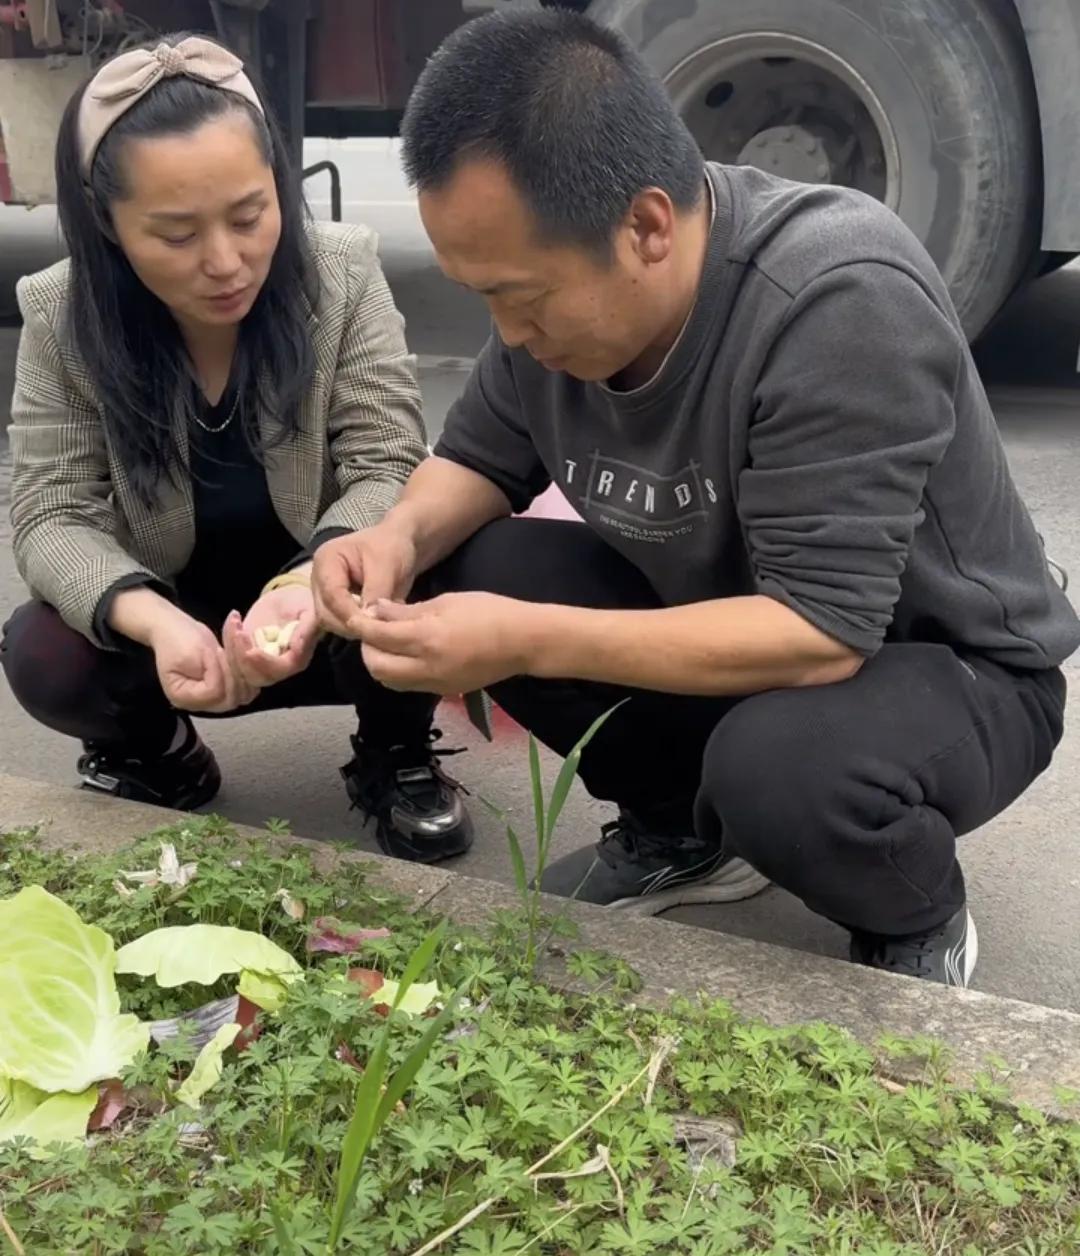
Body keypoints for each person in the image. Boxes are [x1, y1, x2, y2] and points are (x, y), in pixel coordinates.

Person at [312, 8, 1080, 988]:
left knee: (778, 768)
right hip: (738, 627)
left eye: (520, 295)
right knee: (474, 560)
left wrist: (519, 637)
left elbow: (822, 631)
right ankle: (682, 830)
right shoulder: (553, 312)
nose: (505, 329)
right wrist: (394, 541)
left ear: (644, 226)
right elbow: (473, 460)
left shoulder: (838, 299)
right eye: (482, 295)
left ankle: (915, 908)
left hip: (946, 667)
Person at [0, 33, 473, 863]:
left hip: (326, 610)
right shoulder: (62, 317)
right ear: (107, 225)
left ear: (279, 189)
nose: (226, 262)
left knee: (436, 565)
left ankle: (394, 753)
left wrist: (307, 586)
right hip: (178, 624)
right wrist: (153, 624)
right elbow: (48, 512)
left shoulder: (342, 276)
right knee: (42, 651)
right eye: (176, 236)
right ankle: (160, 754)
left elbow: (388, 462)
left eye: (250, 215)